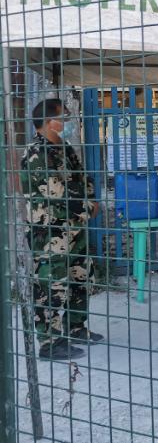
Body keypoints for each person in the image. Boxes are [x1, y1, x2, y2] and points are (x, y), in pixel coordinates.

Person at [20, 98, 103, 360]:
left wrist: (90, 200)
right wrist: (88, 208)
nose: (68, 122)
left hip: (74, 228)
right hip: (50, 233)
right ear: (48, 122)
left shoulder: (63, 148)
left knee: (81, 278)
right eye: (63, 118)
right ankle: (49, 343)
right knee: (51, 286)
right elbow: (57, 193)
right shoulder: (36, 153)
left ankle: (75, 328)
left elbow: (83, 178)